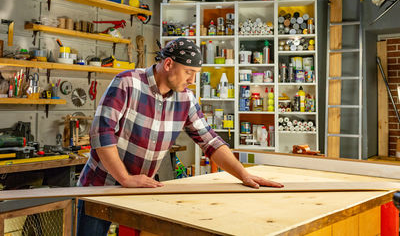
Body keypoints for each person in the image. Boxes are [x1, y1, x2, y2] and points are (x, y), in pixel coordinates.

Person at [76, 38, 283, 235]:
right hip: (100, 186)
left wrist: (243, 175)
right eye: (188, 72)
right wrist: (125, 178)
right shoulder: (127, 83)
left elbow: (209, 141)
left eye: (196, 73)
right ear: (168, 64)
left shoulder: (186, 99)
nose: (192, 80)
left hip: (139, 187)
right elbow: (102, 133)